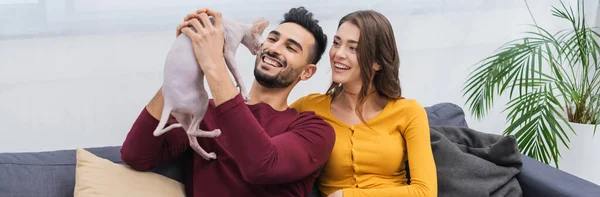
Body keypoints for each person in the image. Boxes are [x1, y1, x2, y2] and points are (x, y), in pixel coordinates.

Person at [120, 7, 336, 197]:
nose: (274, 48)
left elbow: (261, 165)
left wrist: (213, 61)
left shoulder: (315, 131)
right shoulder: (205, 112)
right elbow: (137, 155)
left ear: (307, 72)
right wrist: (185, 62)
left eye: (291, 48)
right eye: (272, 38)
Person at [290, 10, 438, 197]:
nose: (338, 54)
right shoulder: (309, 107)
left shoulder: (409, 112)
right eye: (337, 43)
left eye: (353, 48)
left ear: (377, 62)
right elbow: (263, 132)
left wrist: (347, 196)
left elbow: (425, 192)